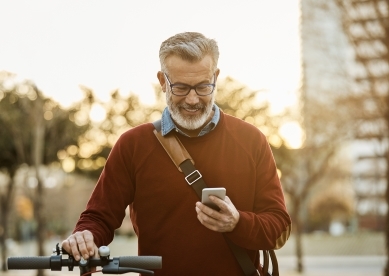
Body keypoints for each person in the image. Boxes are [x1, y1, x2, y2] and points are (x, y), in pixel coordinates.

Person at [62, 32, 292, 275]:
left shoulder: (252, 140)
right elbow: (98, 218)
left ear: (216, 77)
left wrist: (237, 223)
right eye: (180, 87)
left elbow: (279, 229)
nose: (192, 99)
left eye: (203, 86)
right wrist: (84, 236)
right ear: (163, 81)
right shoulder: (132, 145)